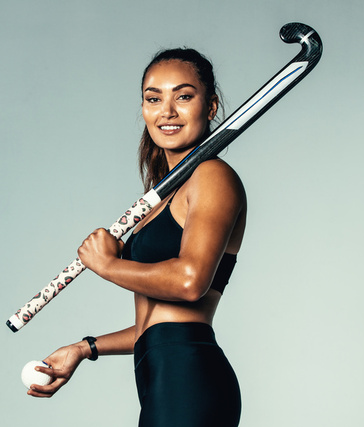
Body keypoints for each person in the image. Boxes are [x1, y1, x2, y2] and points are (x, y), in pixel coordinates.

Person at [27, 48, 246, 427]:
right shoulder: (158, 199)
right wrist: (85, 349)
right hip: (161, 373)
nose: (167, 111)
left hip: (188, 376)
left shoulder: (212, 176)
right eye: (153, 98)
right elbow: (153, 325)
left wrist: (108, 265)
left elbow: (189, 283)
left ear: (210, 107)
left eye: (183, 96)